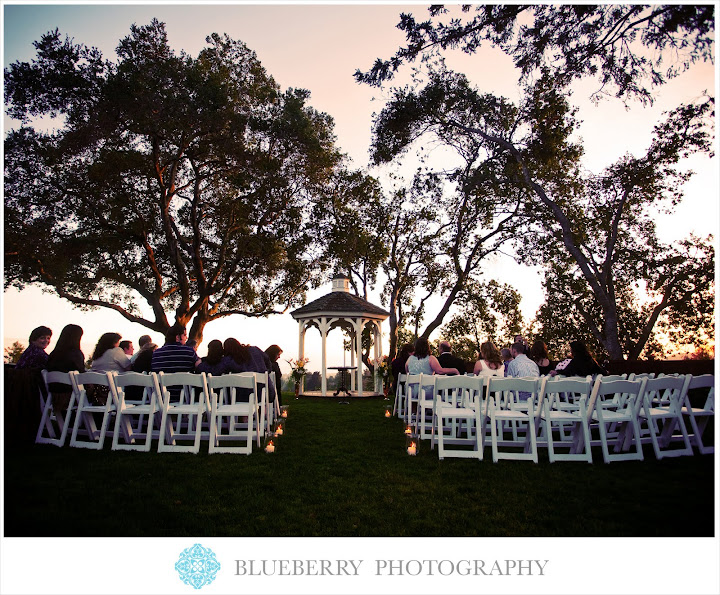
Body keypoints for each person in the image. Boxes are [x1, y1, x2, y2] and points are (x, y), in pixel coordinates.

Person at [219, 338, 275, 403]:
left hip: (241, 398)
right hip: (263, 394)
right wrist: (266, 371)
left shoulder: (229, 360)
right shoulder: (255, 350)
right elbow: (268, 361)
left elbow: (219, 371)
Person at [45, 324, 85, 413]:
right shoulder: (76, 354)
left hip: (54, 396)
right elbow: (81, 376)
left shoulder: (53, 354)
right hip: (70, 397)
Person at [88, 332, 132, 404]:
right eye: (118, 342)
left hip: (97, 391)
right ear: (113, 342)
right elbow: (128, 367)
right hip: (113, 390)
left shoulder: (97, 354)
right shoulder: (116, 350)